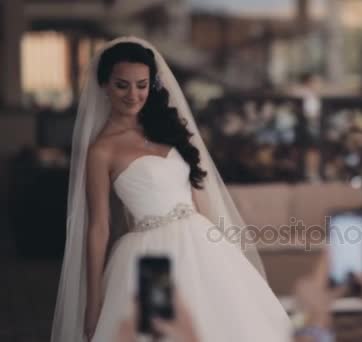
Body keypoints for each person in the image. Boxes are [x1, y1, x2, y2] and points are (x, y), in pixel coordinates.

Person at [50, 37, 291, 341]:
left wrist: (226, 248)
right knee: (164, 334)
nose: (133, 95)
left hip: (203, 243)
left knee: (229, 324)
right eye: (122, 85)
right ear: (104, 85)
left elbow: (198, 192)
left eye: (142, 84)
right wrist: (93, 300)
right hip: (153, 259)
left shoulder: (167, 129)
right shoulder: (102, 150)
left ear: (153, 84)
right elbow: (99, 226)